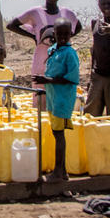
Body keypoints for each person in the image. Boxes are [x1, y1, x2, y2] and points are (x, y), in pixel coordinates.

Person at [7, 0, 81, 106]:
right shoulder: (35, 12)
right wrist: (33, 37)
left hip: (62, 58)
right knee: (40, 91)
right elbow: (11, 25)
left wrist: (67, 38)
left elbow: (78, 27)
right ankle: (40, 121)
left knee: (60, 88)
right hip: (42, 57)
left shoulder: (67, 13)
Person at [32, 18, 79, 183]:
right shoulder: (53, 50)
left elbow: (71, 78)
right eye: (60, 33)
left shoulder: (70, 54)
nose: (63, 37)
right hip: (52, 98)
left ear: (71, 34)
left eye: (66, 34)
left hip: (62, 100)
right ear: (54, 34)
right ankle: (62, 170)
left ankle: (59, 171)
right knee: (55, 132)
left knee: (59, 135)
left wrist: (48, 80)